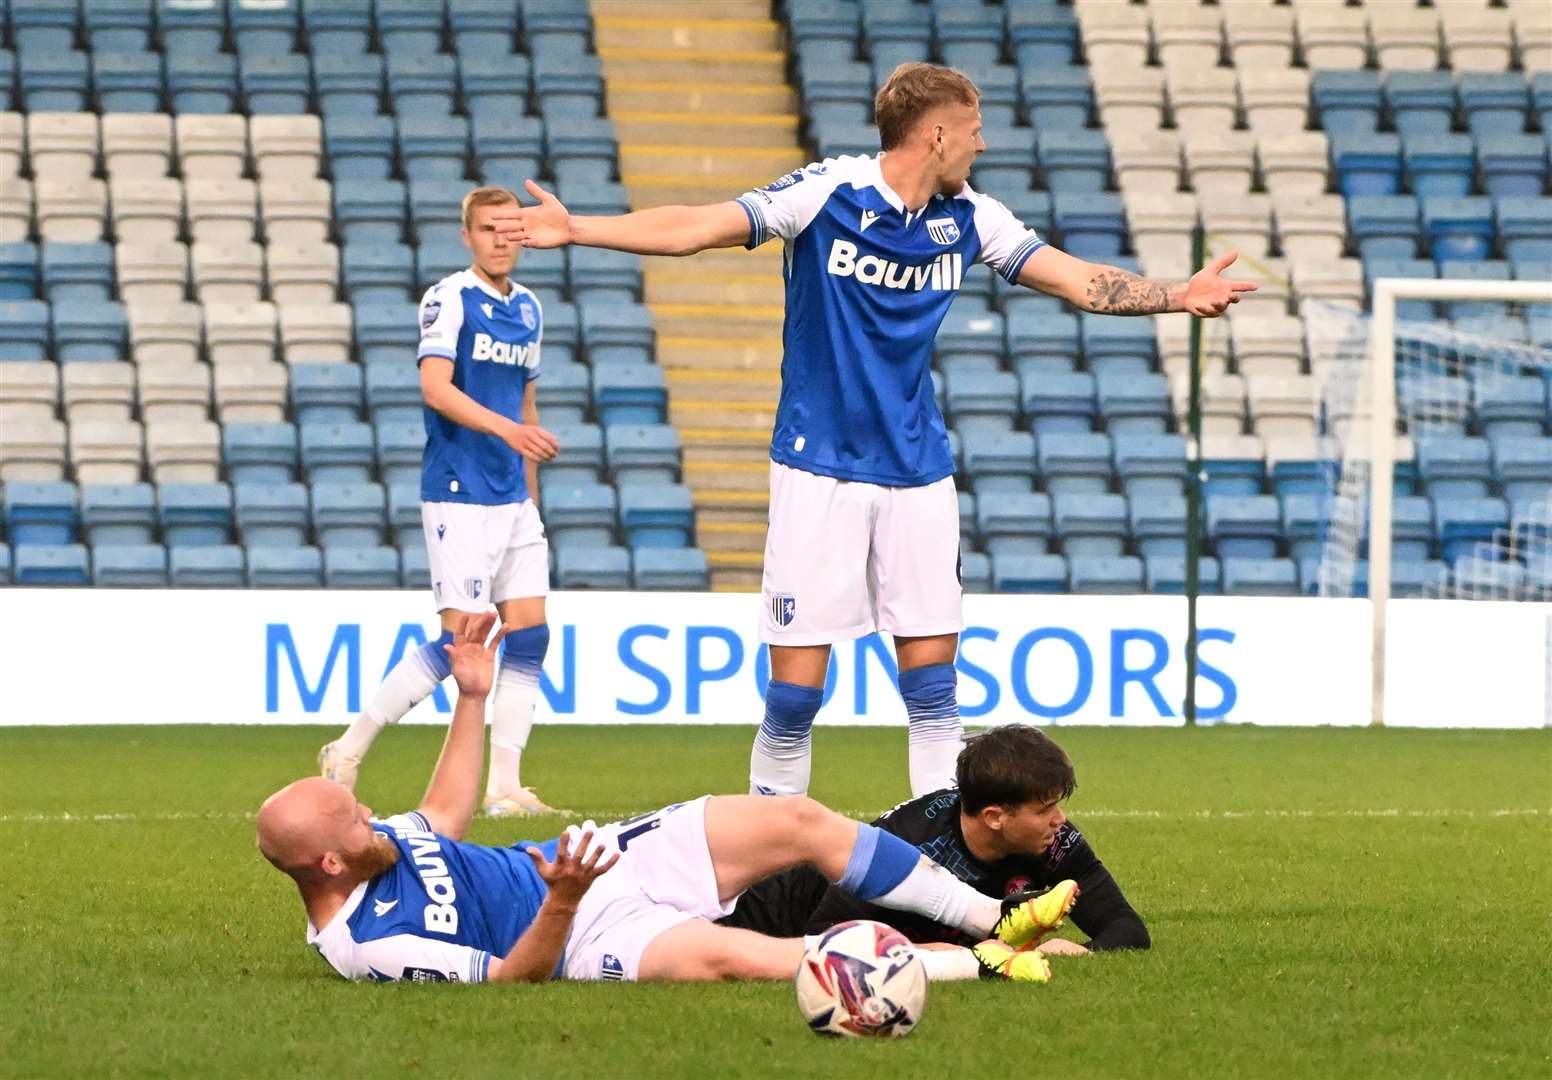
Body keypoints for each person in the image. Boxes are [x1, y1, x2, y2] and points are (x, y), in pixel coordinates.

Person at [493, 62, 1256, 801]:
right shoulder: (828, 191)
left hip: (918, 471)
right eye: (973, 131)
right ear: (934, 135)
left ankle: (946, 860)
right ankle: (768, 857)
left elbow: (1079, 281)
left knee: (935, 696)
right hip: (817, 469)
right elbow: (699, 227)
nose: (981, 145)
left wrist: (1178, 294)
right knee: (795, 699)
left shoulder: (972, 218)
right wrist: (581, 228)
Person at [259, 616, 1081, 986]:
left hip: (598, 856)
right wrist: (562, 904)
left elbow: (442, 816)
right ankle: (985, 966)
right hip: (580, 930)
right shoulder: (373, 946)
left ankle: (989, 918)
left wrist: (471, 697)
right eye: (360, 822)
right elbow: (512, 981)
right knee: (740, 959)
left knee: (797, 820)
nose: (377, 821)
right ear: (329, 861)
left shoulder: (378, 848)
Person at [318, 186, 564, 817]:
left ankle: (505, 785)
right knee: (463, 645)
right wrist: (509, 431)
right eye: (487, 230)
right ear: (468, 236)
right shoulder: (449, 298)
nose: (500, 240)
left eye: (510, 230)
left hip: (511, 496)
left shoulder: (531, 308)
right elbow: (435, 388)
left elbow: (526, 406)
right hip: (459, 490)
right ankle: (347, 748)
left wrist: (530, 496)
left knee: (529, 635)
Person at [720, 724, 1150, 955]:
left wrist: (1086, 952)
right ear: (995, 818)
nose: (1061, 821)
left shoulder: (1053, 841)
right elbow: (824, 935)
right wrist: (931, 952)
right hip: (754, 914)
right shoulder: (907, 843)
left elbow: (1126, 927)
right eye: (1044, 810)